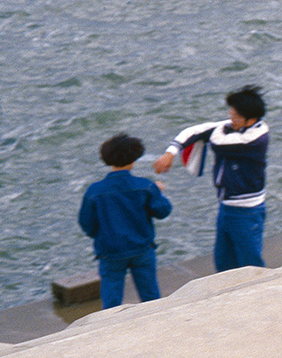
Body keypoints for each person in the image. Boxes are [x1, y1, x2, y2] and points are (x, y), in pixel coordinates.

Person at [153, 85, 270, 271]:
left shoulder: (255, 138)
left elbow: (217, 141)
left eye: (235, 115)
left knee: (251, 264)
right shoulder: (233, 127)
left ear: (251, 120)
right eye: (231, 112)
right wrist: (171, 152)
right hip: (227, 207)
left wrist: (211, 130)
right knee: (223, 262)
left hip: (247, 211)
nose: (231, 118)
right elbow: (193, 131)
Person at [78, 133, 173, 309]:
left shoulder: (94, 191)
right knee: (151, 296)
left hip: (110, 251)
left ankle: (111, 324)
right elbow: (162, 211)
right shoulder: (145, 186)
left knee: (111, 301)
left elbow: (86, 223)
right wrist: (159, 191)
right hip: (142, 248)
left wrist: (101, 235)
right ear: (134, 158)